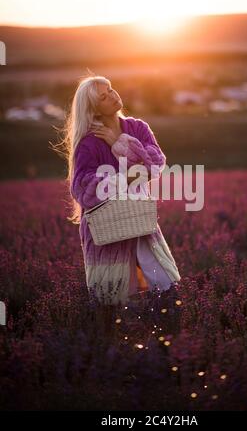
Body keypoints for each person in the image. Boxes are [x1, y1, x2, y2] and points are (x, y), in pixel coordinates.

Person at [60, 74, 181, 333]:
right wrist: (127, 177)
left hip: (140, 220)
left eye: (111, 90)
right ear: (93, 109)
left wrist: (119, 144)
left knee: (165, 283)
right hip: (107, 229)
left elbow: (156, 165)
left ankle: (168, 335)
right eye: (103, 97)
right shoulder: (87, 144)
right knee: (112, 297)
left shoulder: (137, 128)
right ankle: (115, 349)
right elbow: (82, 189)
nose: (113, 96)